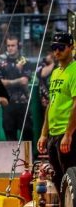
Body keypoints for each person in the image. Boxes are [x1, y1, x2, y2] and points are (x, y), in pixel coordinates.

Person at [37, 33, 76, 193]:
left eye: (61, 47)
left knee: (70, 179)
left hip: (67, 134)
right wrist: (43, 134)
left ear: (71, 47)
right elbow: (51, 104)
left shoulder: (74, 71)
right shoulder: (55, 72)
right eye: (54, 47)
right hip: (54, 134)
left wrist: (68, 134)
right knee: (57, 179)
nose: (57, 51)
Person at [0, 34, 32, 141]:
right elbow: (0, 83)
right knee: (9, 133)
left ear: (18, 46)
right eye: (8, 45)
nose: (10, 48)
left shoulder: (25, 61)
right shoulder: (1, 63)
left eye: (13, 45)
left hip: (22, 103)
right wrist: (17, 76)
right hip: (7, 104)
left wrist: (9, 81)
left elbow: (24, 81)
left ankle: (28, 153)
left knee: (27, 133)